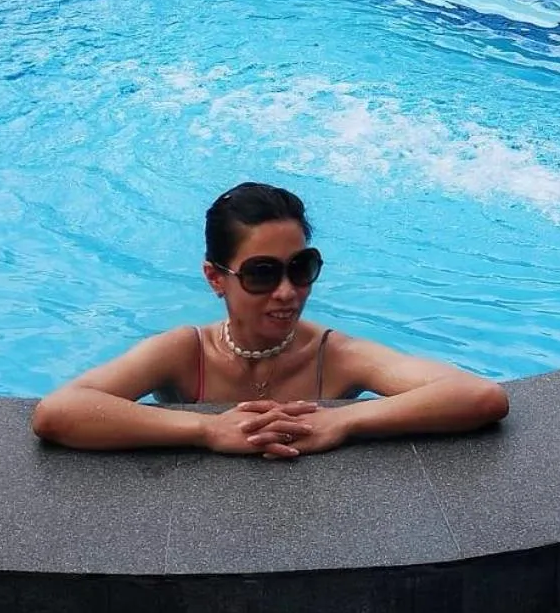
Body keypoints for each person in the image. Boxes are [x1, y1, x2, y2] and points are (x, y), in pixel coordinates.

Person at [31, 182, 509, 457]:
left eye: (301, 268)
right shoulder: (185, 353)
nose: (287, 291)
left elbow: (479, 396)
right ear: (215, 278)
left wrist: (345, 421)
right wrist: (206, 429)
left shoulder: (334, 355)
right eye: (262, 273)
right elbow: (59, 412)